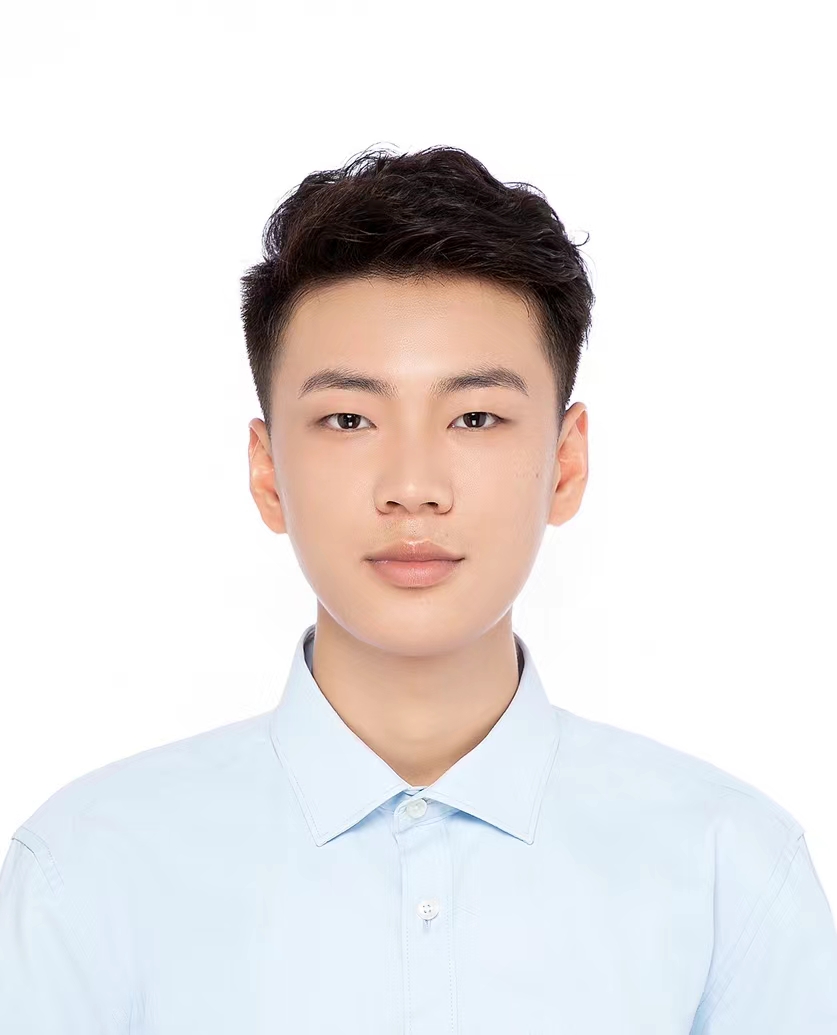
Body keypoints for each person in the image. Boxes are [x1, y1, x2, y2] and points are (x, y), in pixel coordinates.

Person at [1, 144, 835, 1033]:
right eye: (348, 418)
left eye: (475, 416)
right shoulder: (88, 871)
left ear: (565, 463)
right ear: (267, 471)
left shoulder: (729, 871)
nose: (412, 486)